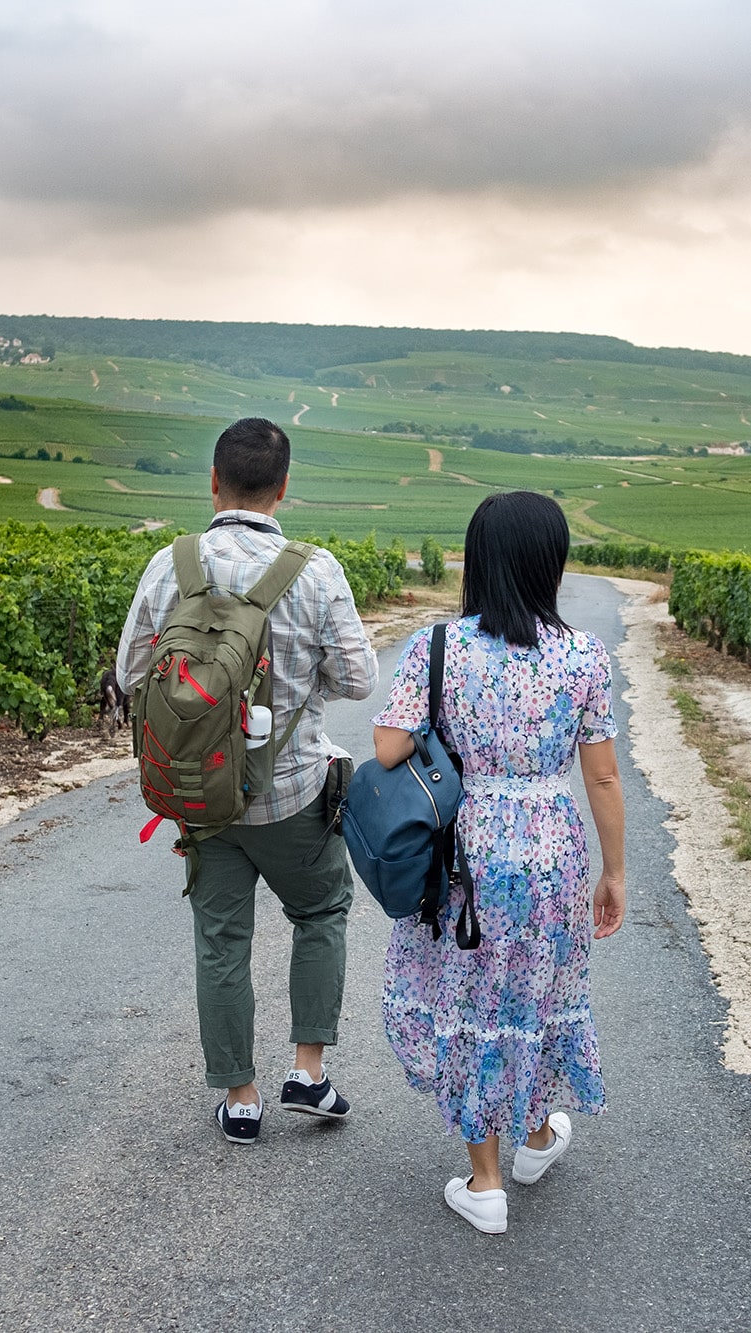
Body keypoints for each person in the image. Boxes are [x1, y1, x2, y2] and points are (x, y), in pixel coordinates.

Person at [370, 490, 628, 1235]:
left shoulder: (437, 646)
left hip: (467, 851)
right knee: (536, 989)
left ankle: (486, 1179)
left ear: (478, 559)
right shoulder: (583, 655)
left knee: (469, 995)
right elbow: (603, 776)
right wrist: (614, 872)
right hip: (552, 845)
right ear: (552, 562)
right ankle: (537, 1136)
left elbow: (389, 748)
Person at [116, 417, 379, 1145]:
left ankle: (239, 1097)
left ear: (212, 480)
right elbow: (359, 678)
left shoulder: (171, 565)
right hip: (295, 791)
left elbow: (130, 674)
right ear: (283, 486)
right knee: (322, 910)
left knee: (221, 939)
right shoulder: (316, 569)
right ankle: (308, 1069)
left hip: (202, 797)